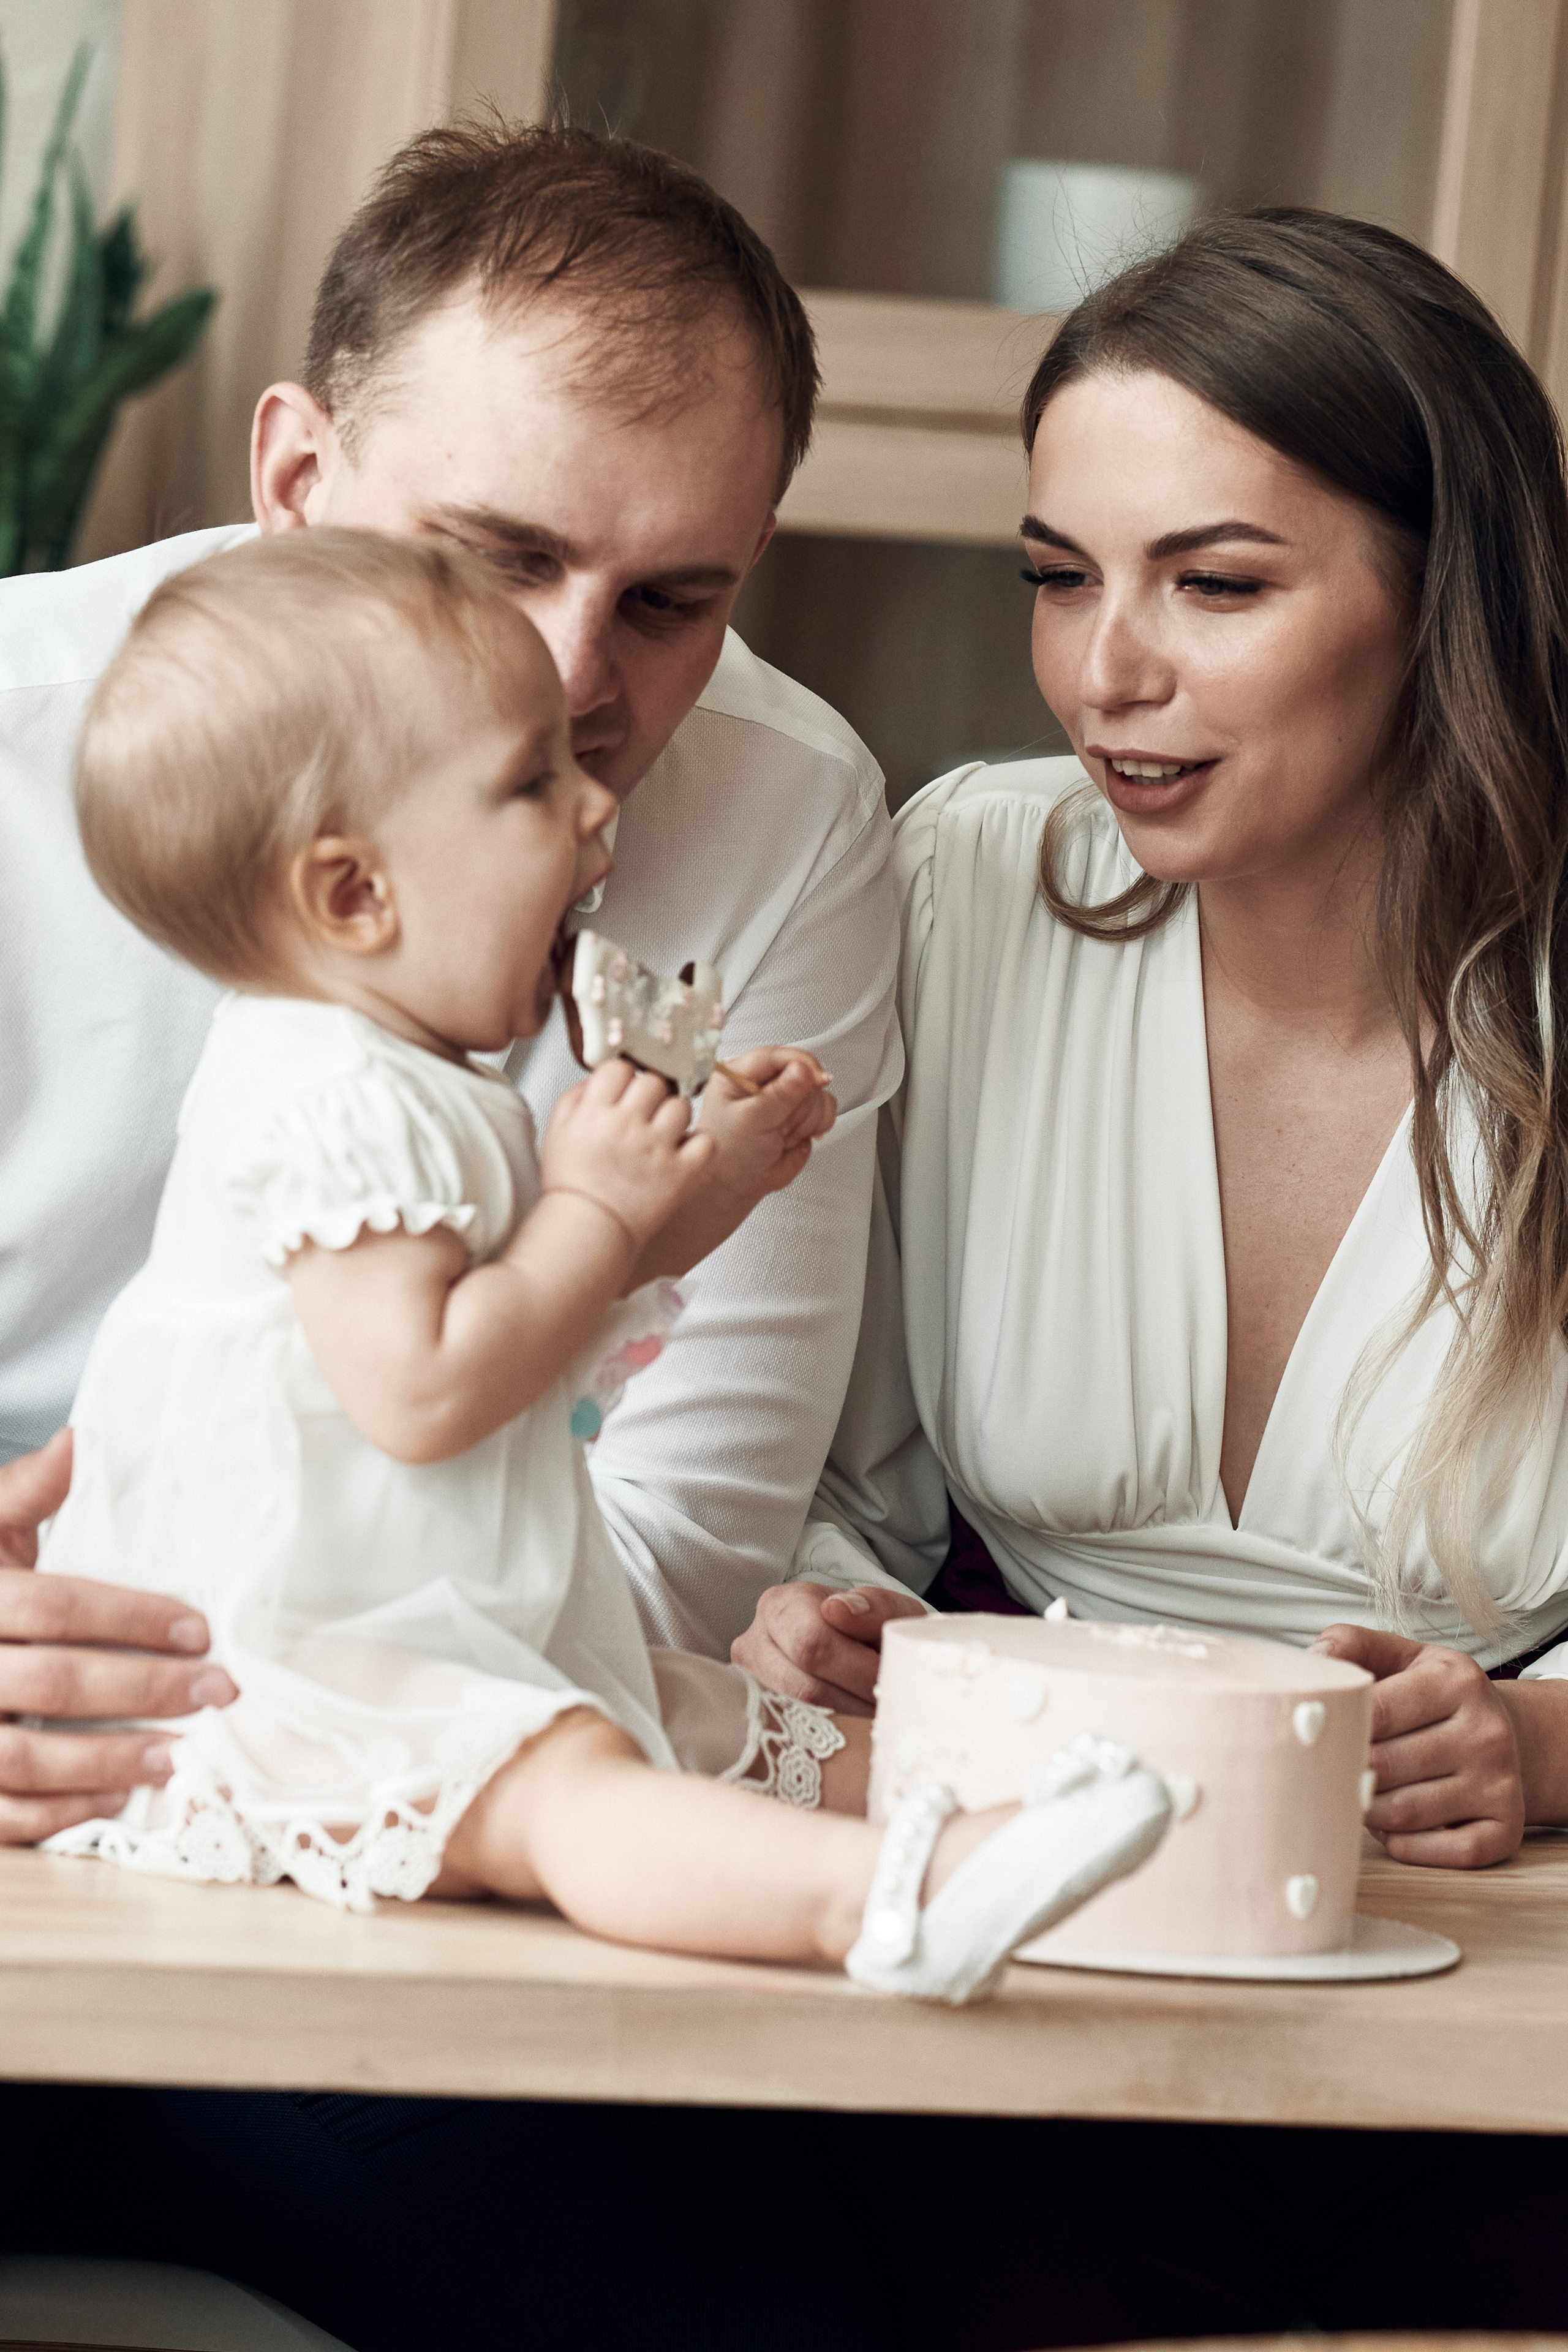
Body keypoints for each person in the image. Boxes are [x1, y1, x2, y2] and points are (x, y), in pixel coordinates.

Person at [35, 526, 1170, 1997]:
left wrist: (711, 1182)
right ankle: (893, 1902)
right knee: (570, 1787)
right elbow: (424, 1391)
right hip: (309, 1670)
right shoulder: (321, 1096)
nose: (596, 815)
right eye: (527, 787)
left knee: (713, 1724)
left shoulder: (415, 1077)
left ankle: (1039, 1824)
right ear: (351, 896)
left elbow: (567, 1302)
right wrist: (586, 1206)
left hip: (457, 1610)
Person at [0, 119, 900, 1856]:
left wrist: (288, 1720)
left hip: (457, 1760)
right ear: (294, 485)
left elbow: (678, 1537)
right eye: (494, 556)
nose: (575, 693)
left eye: (671, 602)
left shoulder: (791, 810)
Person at [737, 205, 1568, 1868]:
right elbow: (835, 1456)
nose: (1106, 670)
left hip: (1486, 1894)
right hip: (1027, 1832)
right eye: (1059, 580)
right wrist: (832, 1610)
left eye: (1216, 584)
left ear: (1443, 593)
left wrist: (1545, 1745)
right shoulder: (963, 883)